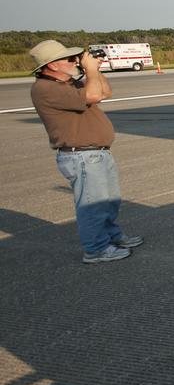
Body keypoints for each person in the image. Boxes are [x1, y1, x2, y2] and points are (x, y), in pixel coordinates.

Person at [29, 40, 144, 264]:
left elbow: (104, 93)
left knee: (109, 201)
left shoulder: (69, 83)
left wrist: (95, 70)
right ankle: (96, 249)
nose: (75, 61)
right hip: (81, 155)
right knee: (92, 206)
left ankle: (112, 237)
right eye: (69, 59)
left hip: (96, 153)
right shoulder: (45, 88)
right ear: (51, 65)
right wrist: (89, 70)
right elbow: (92, 97)